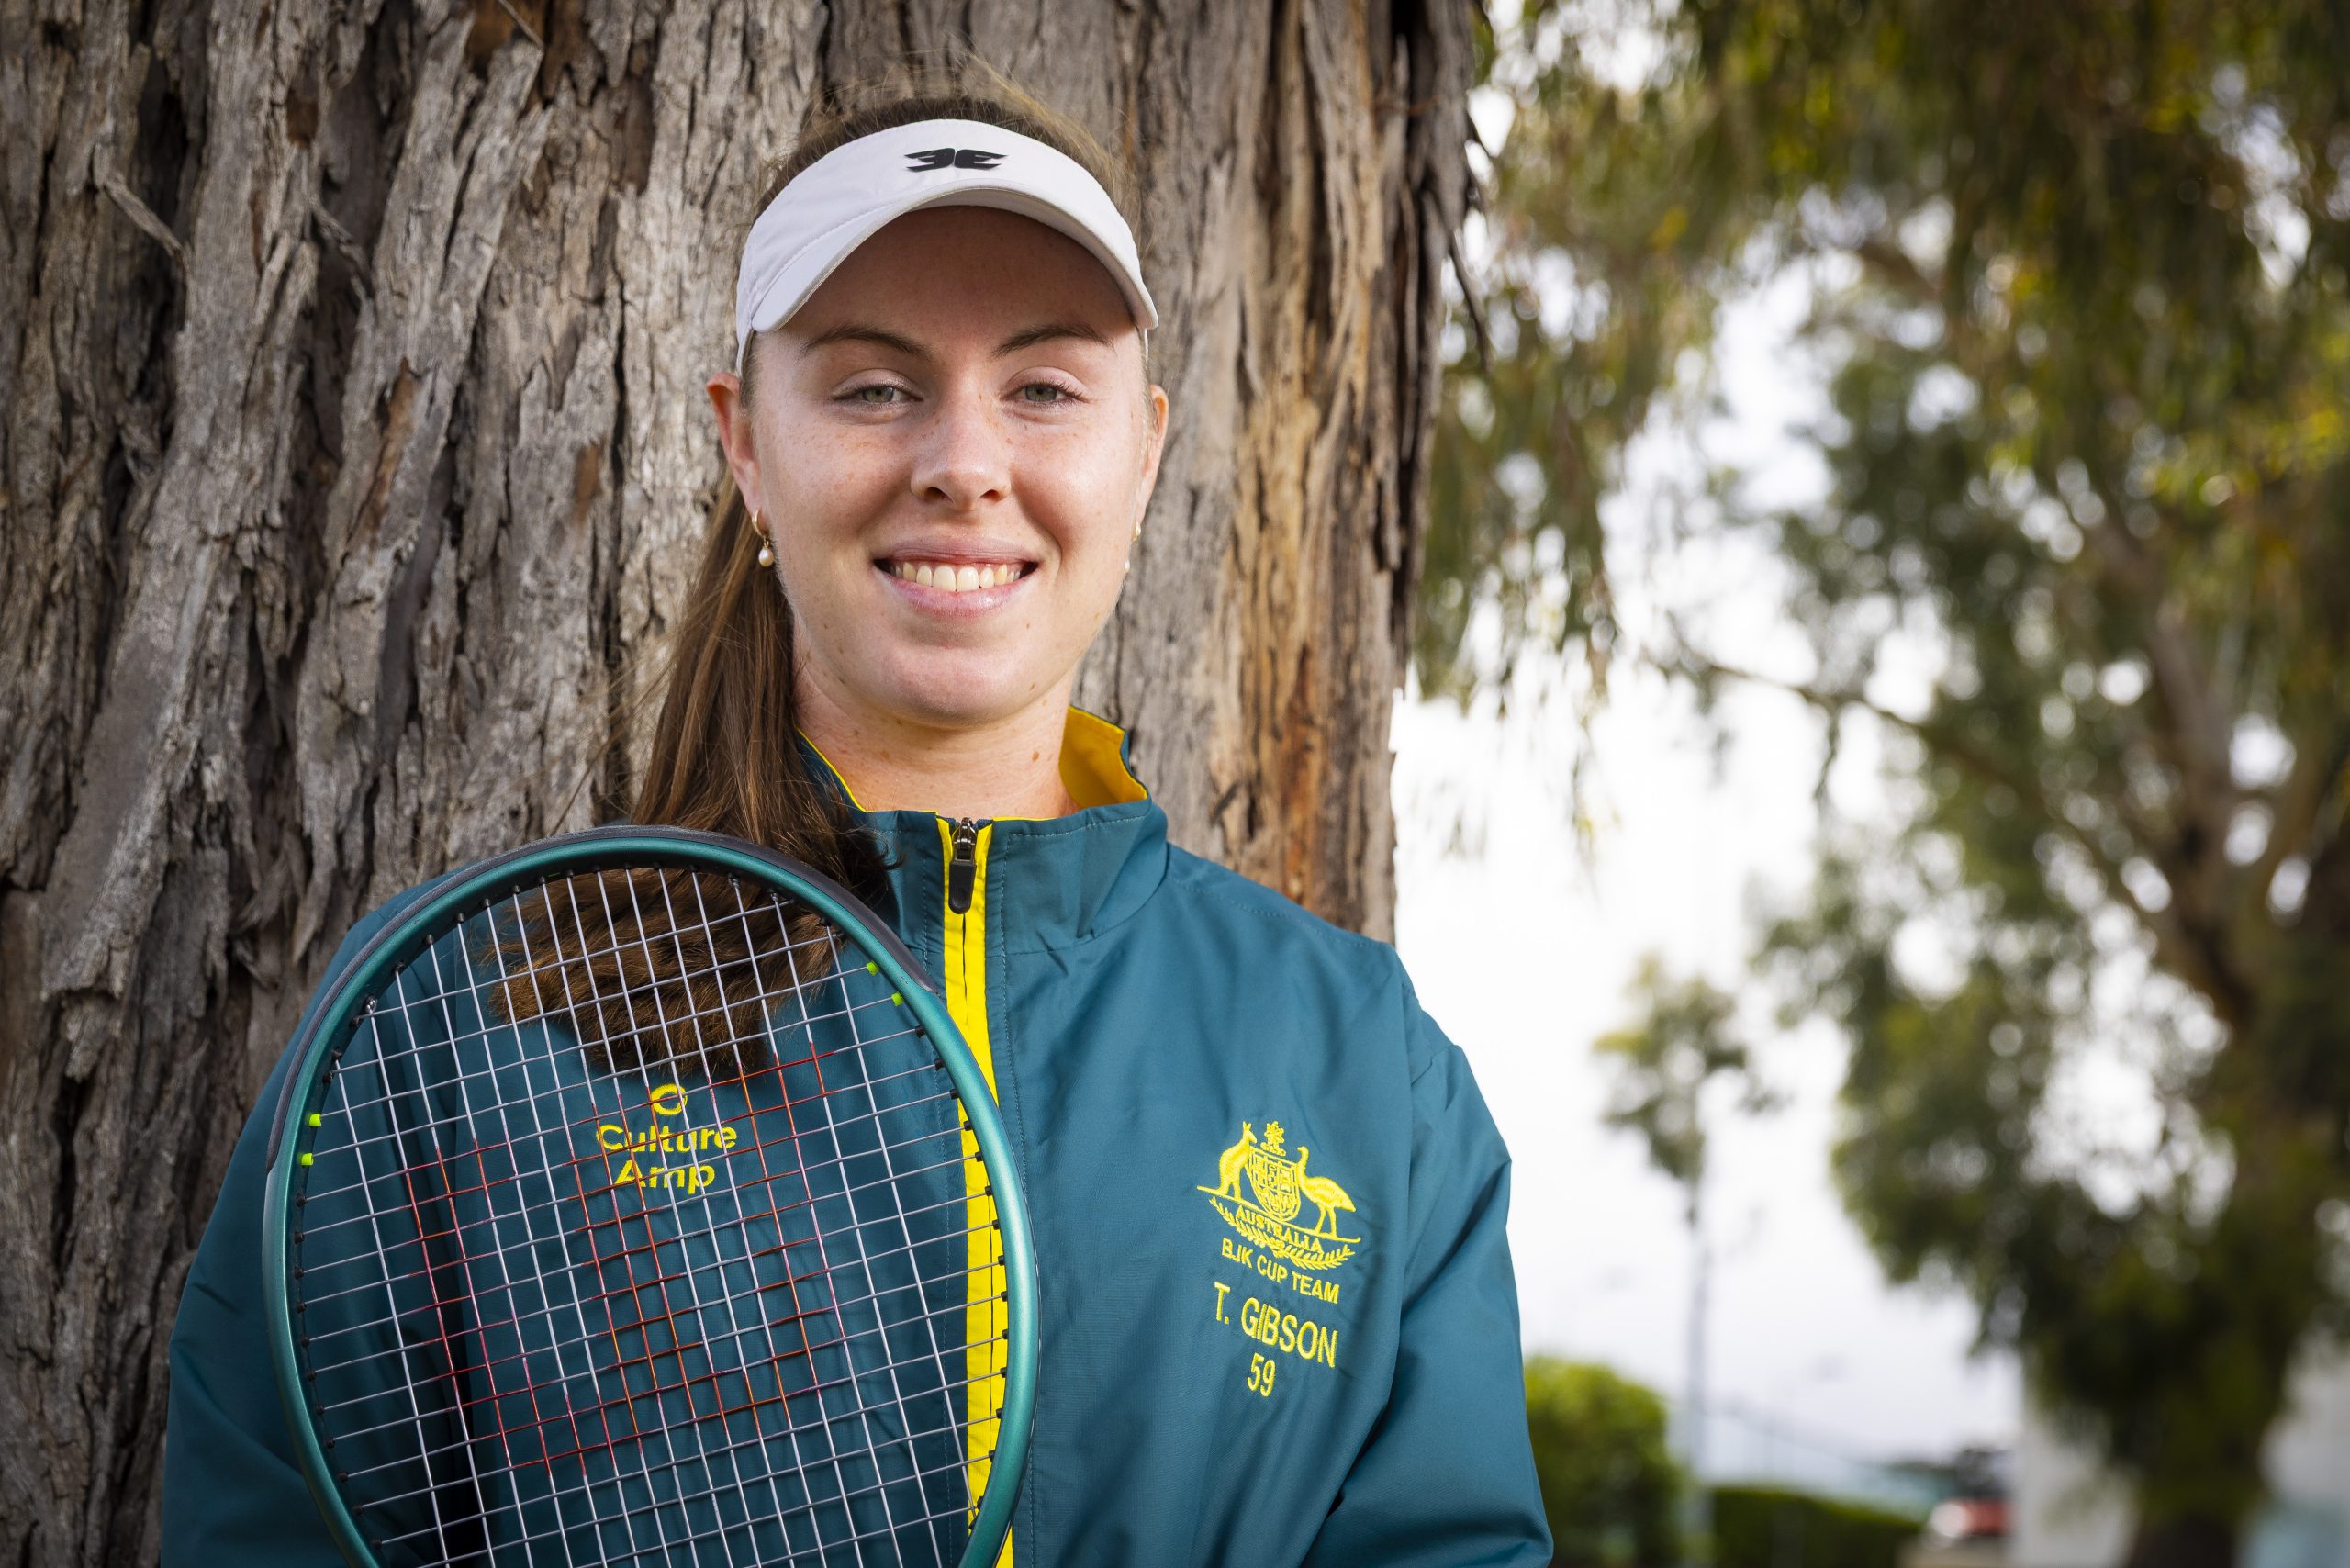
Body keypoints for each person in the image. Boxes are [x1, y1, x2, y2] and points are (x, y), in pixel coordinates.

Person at [162, 64, 1551, 1568]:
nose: (963, 464)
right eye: (874, 385)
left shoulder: (1367, 1069)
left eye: (1043, 387)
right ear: (745, 442)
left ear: (1144, 451)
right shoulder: (454, 1017)